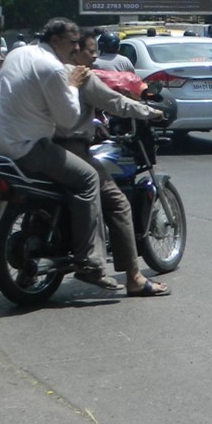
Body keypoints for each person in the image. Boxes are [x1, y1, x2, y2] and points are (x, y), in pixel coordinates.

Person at [0, 18, 119, 295]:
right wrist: (72, 84)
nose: (76, 49)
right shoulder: (53, 68)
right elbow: (68, 120)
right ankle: (90, 262)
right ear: (56, 40)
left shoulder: (18, 53)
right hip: (26, 147)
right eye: (73, 43)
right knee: (87, 178)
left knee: (2, 204)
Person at [61, 30, 169, 296]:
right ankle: (132, 276)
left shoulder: (46, 71)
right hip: (71, 149)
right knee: (117, 203)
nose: (95, 56)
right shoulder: (81, 74)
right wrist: (151, 112)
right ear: (75, 51)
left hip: (35, 146)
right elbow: (115, 101)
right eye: (89, 51)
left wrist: (92, 124)